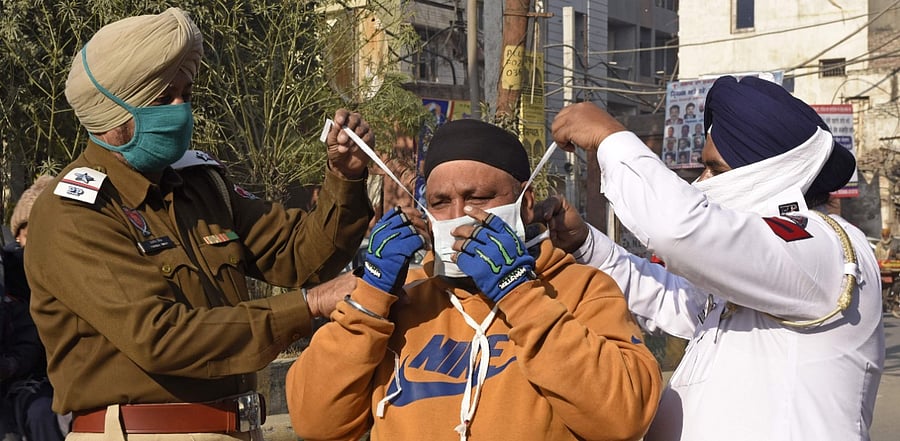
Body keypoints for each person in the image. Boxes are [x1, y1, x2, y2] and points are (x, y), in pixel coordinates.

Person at [24, 8, 373, 440]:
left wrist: (347, 177)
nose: (181, 110)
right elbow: (161, 336)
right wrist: (308, 305)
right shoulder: (76, 213)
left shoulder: (200, 186)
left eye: (185, 93)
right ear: (108, 113)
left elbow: (298, 257)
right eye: (162, 97)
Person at [544, 75, 884, 441]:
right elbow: (670, 297)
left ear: (770, 173)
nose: (701, 183)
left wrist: (611, 138)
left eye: (716, 170)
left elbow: (678, 229)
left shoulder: (823, 246)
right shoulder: (762, 268)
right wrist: (586, 246)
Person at [285, 119, 662, 441]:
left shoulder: (581, 288)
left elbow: (624, 417)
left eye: (477, 198)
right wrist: (368, 297)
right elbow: (314, 421)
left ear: (525, 202)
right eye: (439, 202)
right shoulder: (401, 299)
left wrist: (520, 294)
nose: (458, 216)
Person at [2, 176, 68, 441]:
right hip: (24, 381)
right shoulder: (9, 277)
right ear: (18, 234)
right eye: (31, 232)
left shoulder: (77, 274)